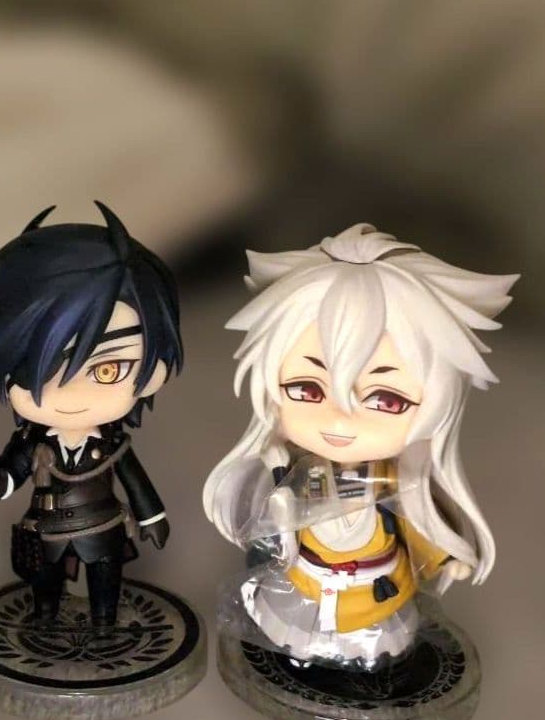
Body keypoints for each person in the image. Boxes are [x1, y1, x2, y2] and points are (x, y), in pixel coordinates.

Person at [203, 223, 517, 667]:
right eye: (306, 389)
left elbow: (417, 524)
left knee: (369, 650)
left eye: (385, 400)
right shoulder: (295, 473)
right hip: (306, 580)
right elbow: (273, 525)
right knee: (298, 643)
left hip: (374, 586)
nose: (339, 419)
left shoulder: (393, 481)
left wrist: (444, 557)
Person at [0, 202, 183, 629]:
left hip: (101, 525)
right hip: (45, 529)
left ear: (153, 373)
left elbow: (135, 480)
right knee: (44, 585)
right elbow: (15, 464)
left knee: (105, 581)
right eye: (42, 372)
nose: (72, 394)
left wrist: (152, 517)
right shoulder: (33, 442)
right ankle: (44, 617)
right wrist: (3, 479)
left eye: (107, 370)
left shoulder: (112, 444)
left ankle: (104, 623)